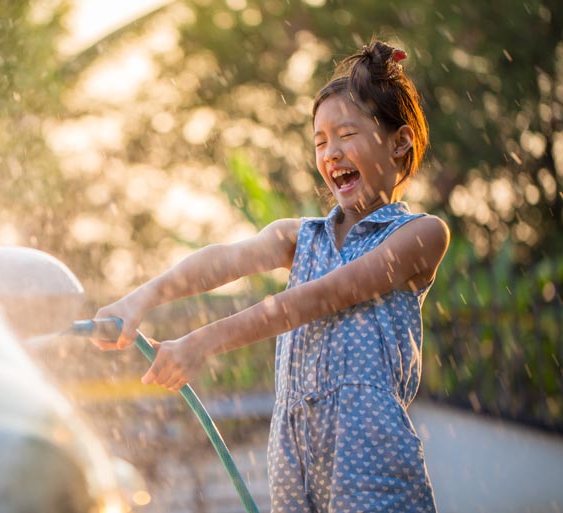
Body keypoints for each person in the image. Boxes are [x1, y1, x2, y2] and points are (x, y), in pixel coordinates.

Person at [91, 40, 449, 513]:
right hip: (294, 458)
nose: (332, 153)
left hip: (369, 459)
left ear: (399, 140)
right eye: (320, 141)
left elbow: (318, 299)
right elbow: (220, 260)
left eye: (347, 134)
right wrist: (140, 299)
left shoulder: (419, 235)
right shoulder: (302, 237)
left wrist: (201, 343)